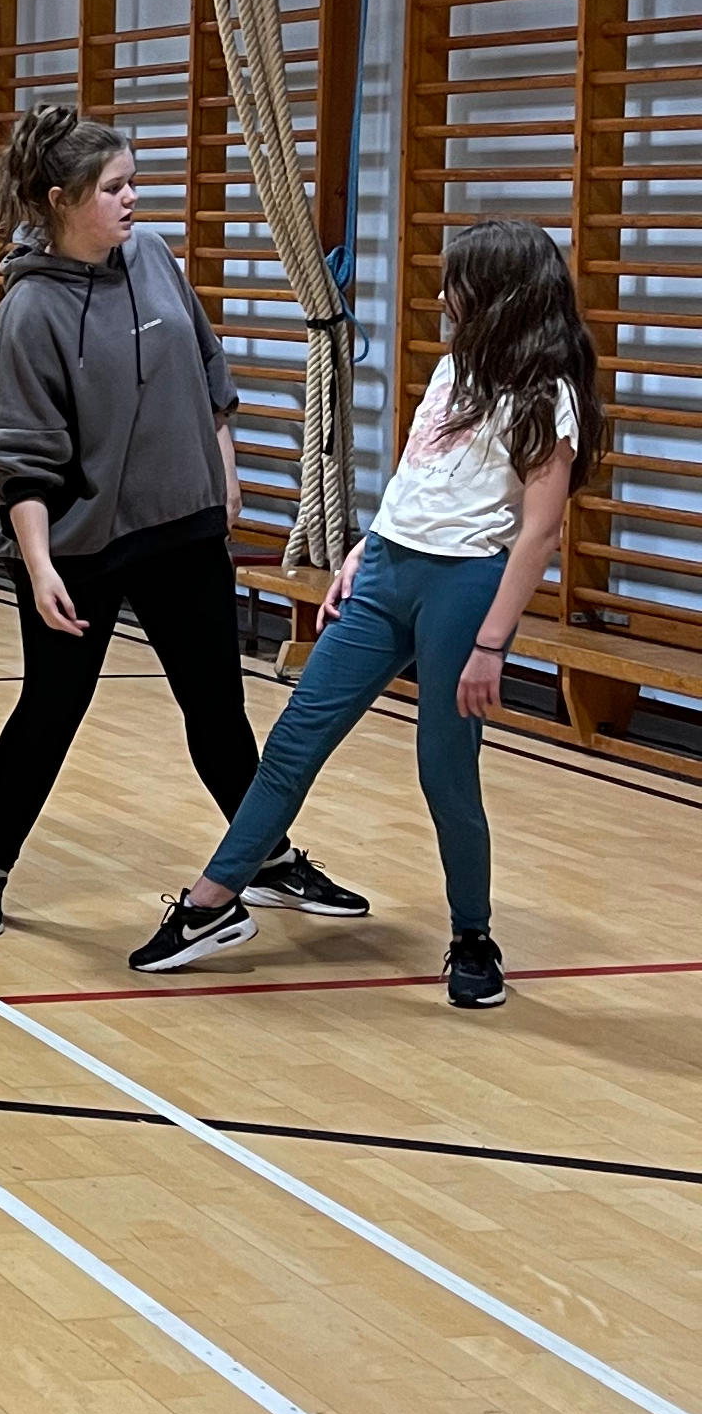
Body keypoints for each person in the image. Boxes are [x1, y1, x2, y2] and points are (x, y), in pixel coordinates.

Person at [131, 221, 598, 1008]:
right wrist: (364, 548)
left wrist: (491, 644)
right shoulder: (453, 368)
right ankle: (212, 905)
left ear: (499, 294)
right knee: (295, 738)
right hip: (386, 573)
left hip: (465, 589)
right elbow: (419, 475)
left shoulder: (548, 396)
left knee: (445, 770)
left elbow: (539, 532)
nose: (442, 295)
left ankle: (473, 936)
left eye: (457, 282)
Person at [0, 103, 363, 943]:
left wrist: (224, 471)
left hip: (183, 528)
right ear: (63, 200)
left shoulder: (152, 256)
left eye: (133, 181)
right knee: (50, 710)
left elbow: (208, 369)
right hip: (78, 548)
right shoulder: (26, 316)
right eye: (114, 187)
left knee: (216, 707)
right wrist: (40, 569)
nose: (132, 199)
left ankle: (269, 857)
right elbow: (20, 462)